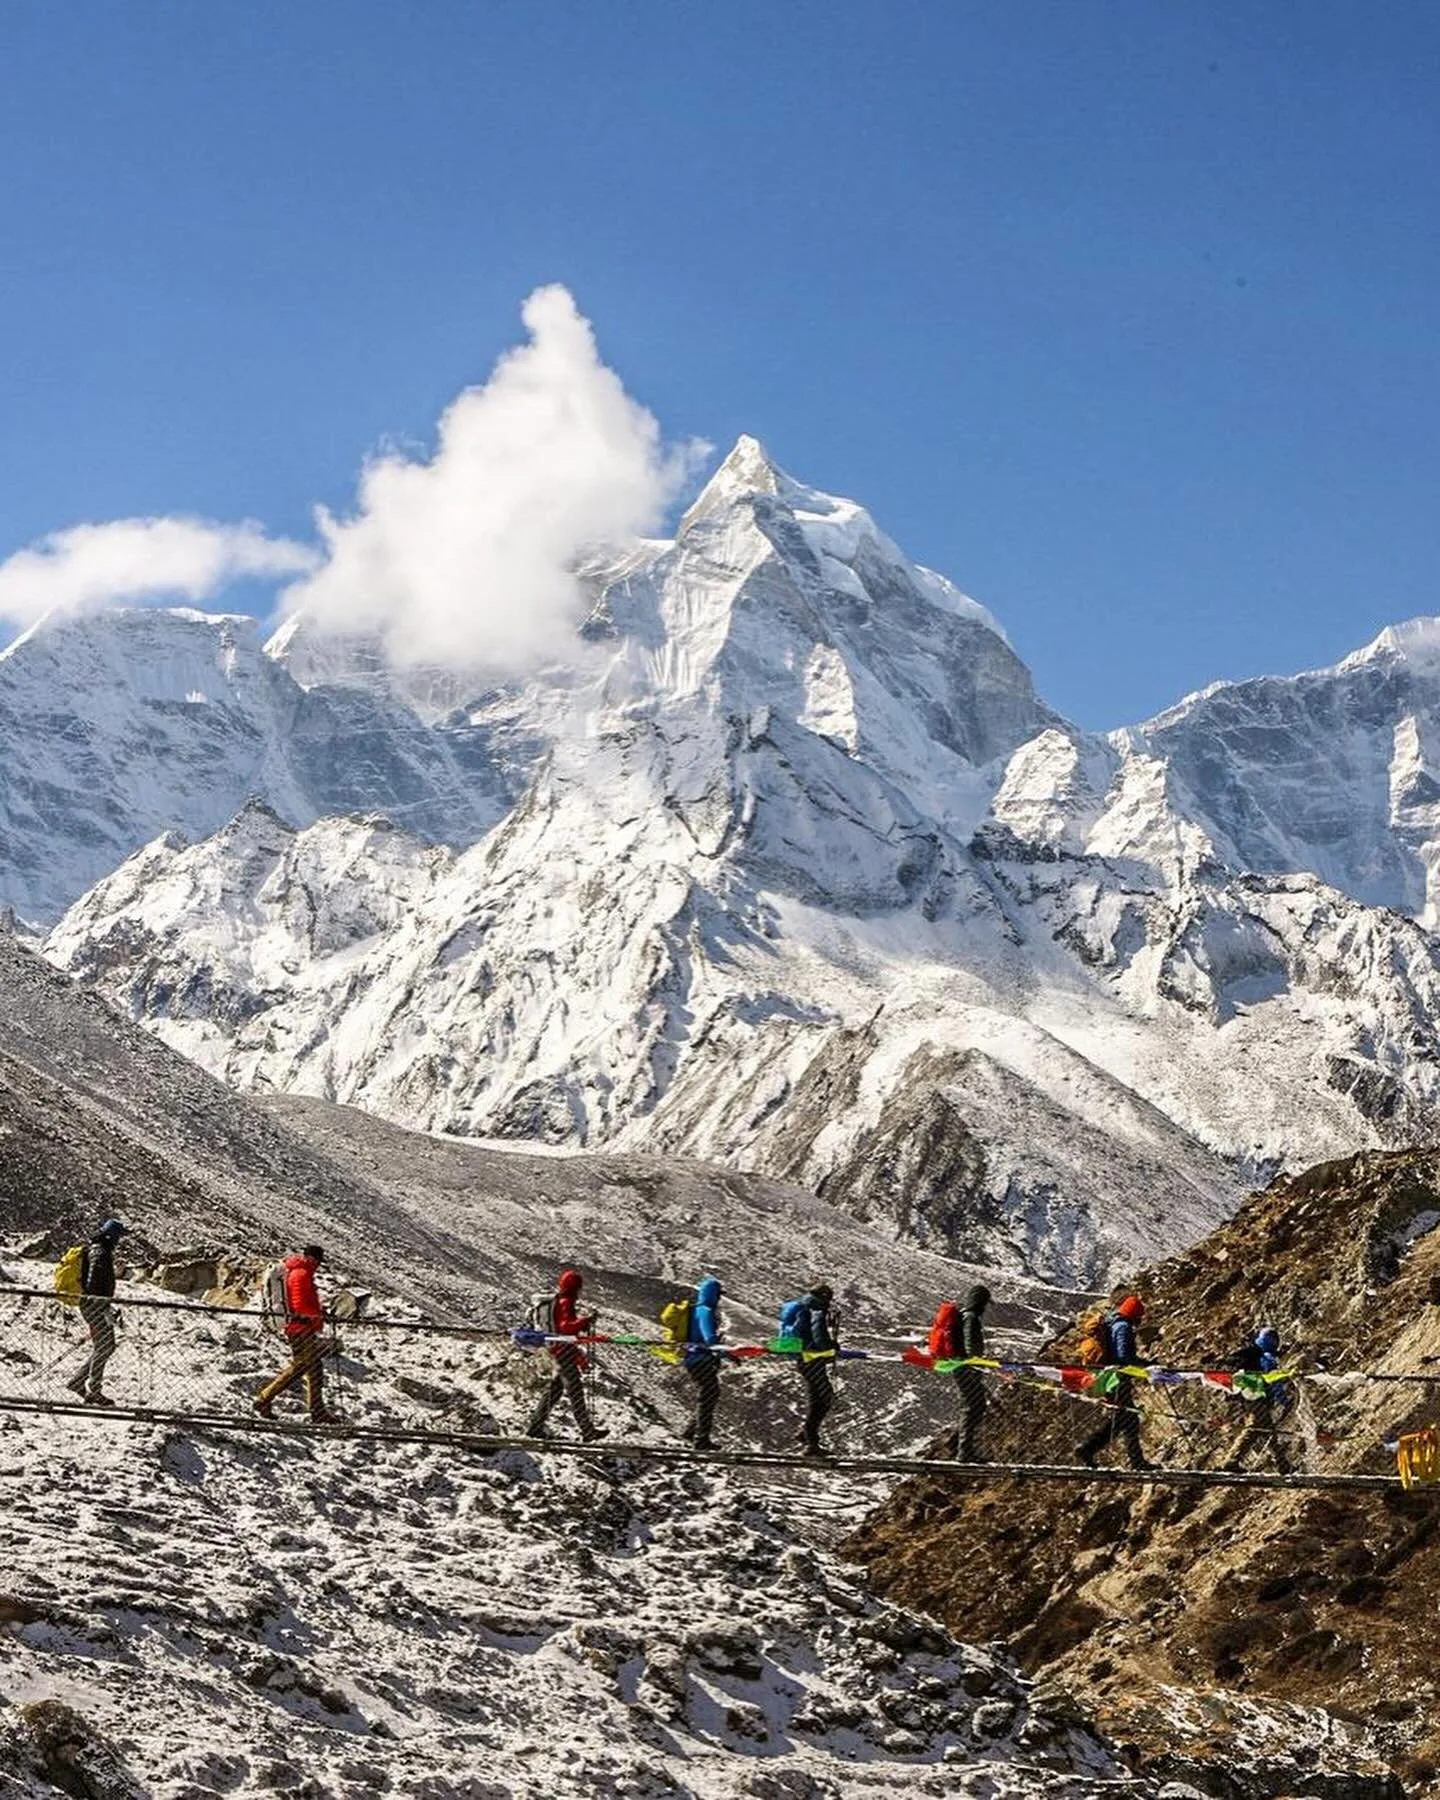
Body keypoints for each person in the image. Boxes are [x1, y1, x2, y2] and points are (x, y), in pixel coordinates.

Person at [254, 1246, 338, 1423]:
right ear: (313, 1259)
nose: (318, 1266)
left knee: (313, 1367)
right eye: (318, 1262)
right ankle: (264, 1398)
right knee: (301, 1366)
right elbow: (300, 1304)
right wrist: (318, 1315)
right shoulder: (301, 1273)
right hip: (300, 1328)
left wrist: (319, 1313)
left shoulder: (298, 1271)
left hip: (301, 1326)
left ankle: (317, 1410)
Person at [524, 1268, 608, 1444]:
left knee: (554, 1391)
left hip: (554, 1351)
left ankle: (534, 1428)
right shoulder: (566, 1301)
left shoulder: (557, 1300)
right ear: (575, 1287)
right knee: (575, 1391)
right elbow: (567, 1327)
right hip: (564, 1353)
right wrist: (586, 1320)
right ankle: (587, 1431)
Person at [1076, 1293, 1152, 1472]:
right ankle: (1134, 1461)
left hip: (1109, 1378)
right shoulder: (1123, 1326)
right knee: (1128, 1418)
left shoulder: (1112, 1323)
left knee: (1123, 1418)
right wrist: (1145, 1366)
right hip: (1117, 1379)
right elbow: (1123, 1356)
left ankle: (1089, 1449)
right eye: (1139, 1316)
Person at [65, 1218, 124, 1405]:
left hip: (95, 1305)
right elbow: (94, 1282)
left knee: (104, 1346)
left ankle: (77, 1382)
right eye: (118, 1237)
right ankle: (94, 1390)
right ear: (112, 1236)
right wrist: (101, 1304)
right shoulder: (100, 1251)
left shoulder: (97, 1248)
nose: (119, 1241)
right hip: (95, 1305)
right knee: (106, 1346)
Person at [1227, 1325, 1292, 1474]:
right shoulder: (1266, 1358)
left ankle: (1282, 1464)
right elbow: (1274, 1380)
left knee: (1266, 1430)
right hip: (1257, 1394)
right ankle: (1231, 1461)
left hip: (1246, 1394)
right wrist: (1283, 1400)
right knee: (1255, 1428)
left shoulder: (1250, 1353)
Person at [789, 1282, 840, 1458]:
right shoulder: (816, 1310)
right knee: (824, 1397)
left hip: (803, 1359)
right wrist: (830, 1346)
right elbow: (819, 1335)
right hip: (812, 1360)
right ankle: (810, 1441)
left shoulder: (803, 1307)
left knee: (817, 1396)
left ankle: (808, 1435)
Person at [681, 1275, 728, 1452]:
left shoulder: (696, 1310)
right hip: (701, 1359)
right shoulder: (706, 1311)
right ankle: (701, 1439)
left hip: (693, 1358)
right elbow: (709, 1338)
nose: (719, 1298)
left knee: (707, 1394)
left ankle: (692, 1432)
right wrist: (725, 1352)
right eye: (718, 1294)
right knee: (709, 1395)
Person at [952, 1285, 990, 1462]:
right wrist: (974, 1364)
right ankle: (965, 1451)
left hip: (963, 1367)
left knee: (973, 1406)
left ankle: (966, 1449)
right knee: (973, 1407)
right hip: (967, 1368)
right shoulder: (970, 1317)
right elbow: (969, 1344)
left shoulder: (963, 1315)